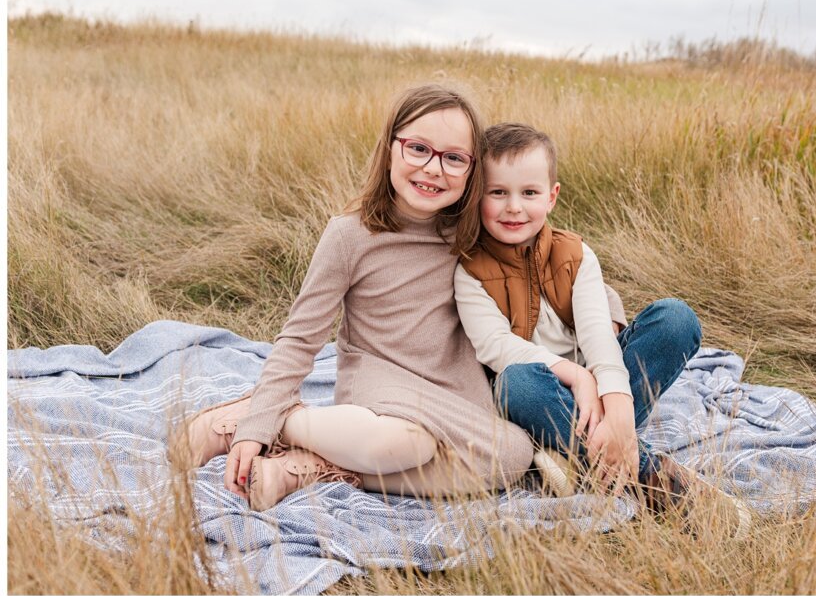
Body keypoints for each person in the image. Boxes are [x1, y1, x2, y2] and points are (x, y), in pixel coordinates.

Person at [179, 85, 537, 511]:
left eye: (454, 158)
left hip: (451, 389)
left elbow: (560, 265)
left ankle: (315, 466)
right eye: (418, 149)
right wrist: (257, 424)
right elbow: (301, 338)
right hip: (378, 379)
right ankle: (268, 420)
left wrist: (606, 315)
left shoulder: (475, 232)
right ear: (390, 149)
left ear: (472, 169)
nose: (433, 169)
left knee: (513, 454)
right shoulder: (350, 235)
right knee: (403, 443)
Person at [454, 123, 750, 530]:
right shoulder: (468, 269)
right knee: (515, 383)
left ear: (552, 196)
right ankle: (652, 477)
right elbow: (495, 347)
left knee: (675, 318)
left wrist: (618, 406)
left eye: (529, 193)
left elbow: (599, 339)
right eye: (498, 192)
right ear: (477, 196)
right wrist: (577, 377)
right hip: (537, 391)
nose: (514, 207)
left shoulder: (575, 254)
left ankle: (578, 451)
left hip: (598, 385)